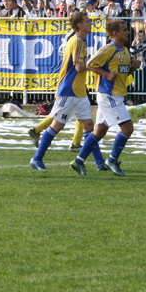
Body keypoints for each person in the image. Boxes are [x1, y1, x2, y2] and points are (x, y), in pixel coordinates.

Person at [29, 11, 105, 172]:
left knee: (88, 125)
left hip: (78, 91)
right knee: (57, 125)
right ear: (79, 25)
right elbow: (78, 66)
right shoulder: (76, 41)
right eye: (87, 21)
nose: (90, 24)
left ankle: (100, 163)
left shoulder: (81, 41)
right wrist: (97, 65)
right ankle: (37, 158)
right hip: (68, 90)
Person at [70, 20, 141, 176]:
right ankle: (112, 160)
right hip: (109, 95)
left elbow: (122, 74)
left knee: (99, 132)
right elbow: (90, 64)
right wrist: (106, 74)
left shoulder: (125, 51)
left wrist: (132, 68)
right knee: (128, 129)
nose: (127, 32)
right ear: (115, 33)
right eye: (124, 30)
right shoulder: (109, 49)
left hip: (116, 95)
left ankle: (79, 161)